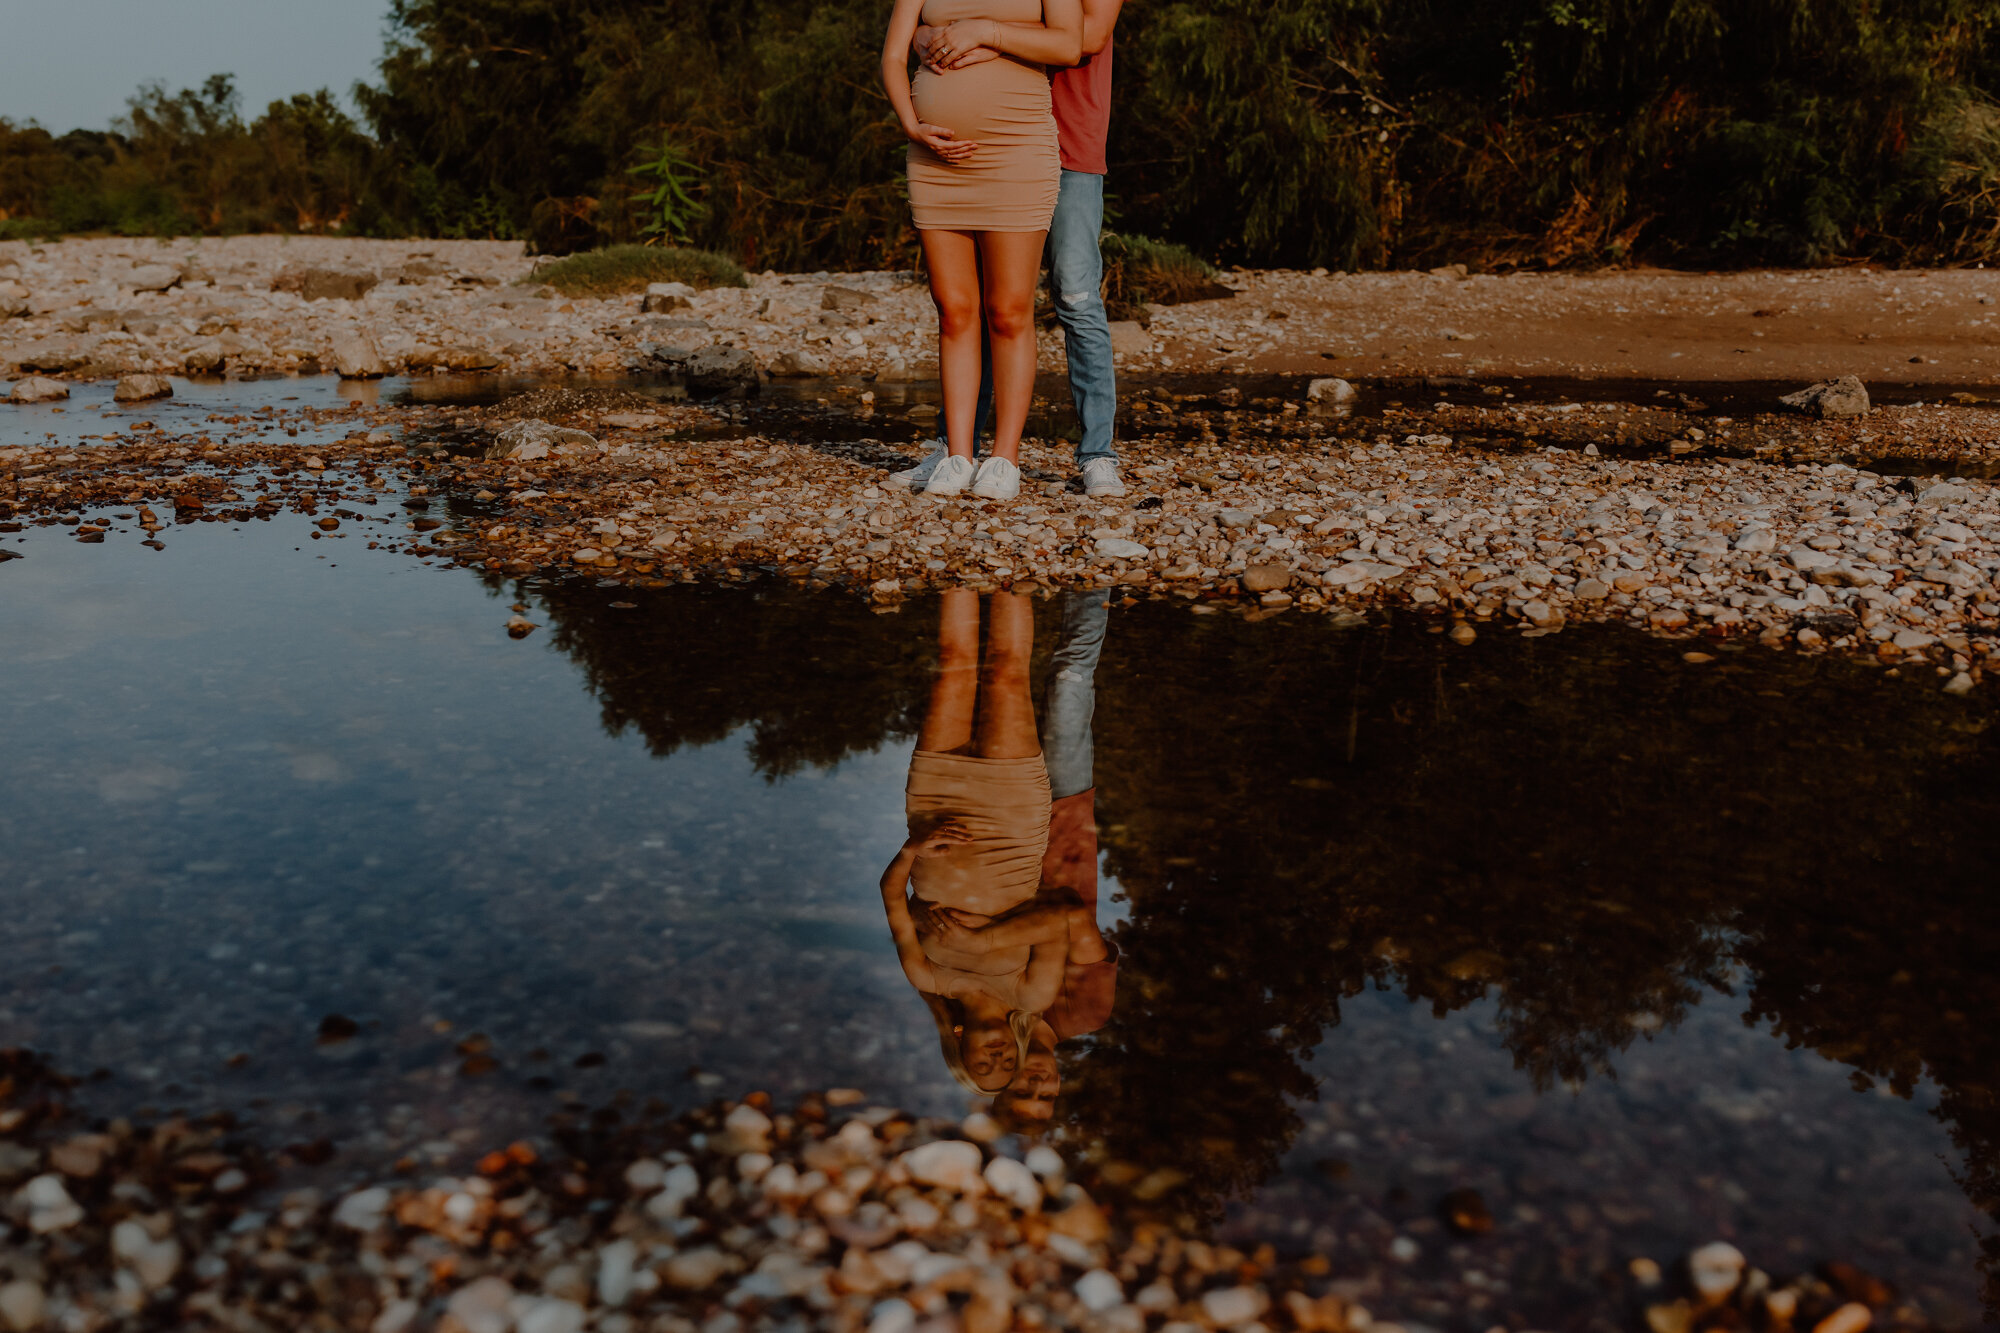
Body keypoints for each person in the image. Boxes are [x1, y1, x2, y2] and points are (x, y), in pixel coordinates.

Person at [891, 0, 1128, 498]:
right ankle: (956, 448)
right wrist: (928, 36)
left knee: (1074, 293)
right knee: (968, 305)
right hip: (971, 143)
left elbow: (1084, 40)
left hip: (1063, 139)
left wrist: (978, 30)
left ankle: (1097, 454)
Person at [879, 589, 1103, 1091]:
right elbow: (1054, 923)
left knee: (954, 666)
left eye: (983, 1065)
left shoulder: (927, 978)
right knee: (1005, 674)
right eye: (1007, 1065)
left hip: (934, 806)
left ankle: (959, 562)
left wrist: (912, 849)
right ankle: (1010, 571)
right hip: (1011, 824)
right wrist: (981, 939)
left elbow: (892, 898)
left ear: (960, 1049)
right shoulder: (1032, 996)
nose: (997, 1058)